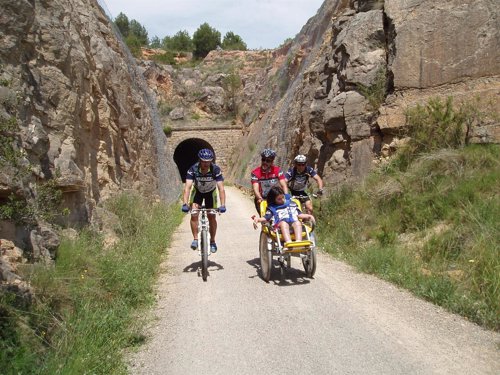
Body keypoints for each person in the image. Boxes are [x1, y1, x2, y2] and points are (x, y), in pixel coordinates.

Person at [181, 148, 226, 253]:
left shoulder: (215, 169)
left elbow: (221, 188)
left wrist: (223, 205)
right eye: (204, 161)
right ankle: (195, 239)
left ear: (211, 160)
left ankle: (213, 241)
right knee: (194, 214)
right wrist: (185, 203)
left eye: (208, 161)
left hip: (211, 193)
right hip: (198, 193)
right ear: (199, 160)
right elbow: (187, 187)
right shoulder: (193, 169)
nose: (206, 164)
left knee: (211, 216)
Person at [251, 148, 288, 214]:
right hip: (262, 198)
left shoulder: (277, 170)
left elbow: (283, 185)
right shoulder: (255, 173)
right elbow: (255, 188)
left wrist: (287, 196)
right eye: (263, 160)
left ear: (272, 162)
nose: (265, 162)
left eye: (268, 161)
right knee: (265, 218)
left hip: (275, 198)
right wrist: (259, 198)